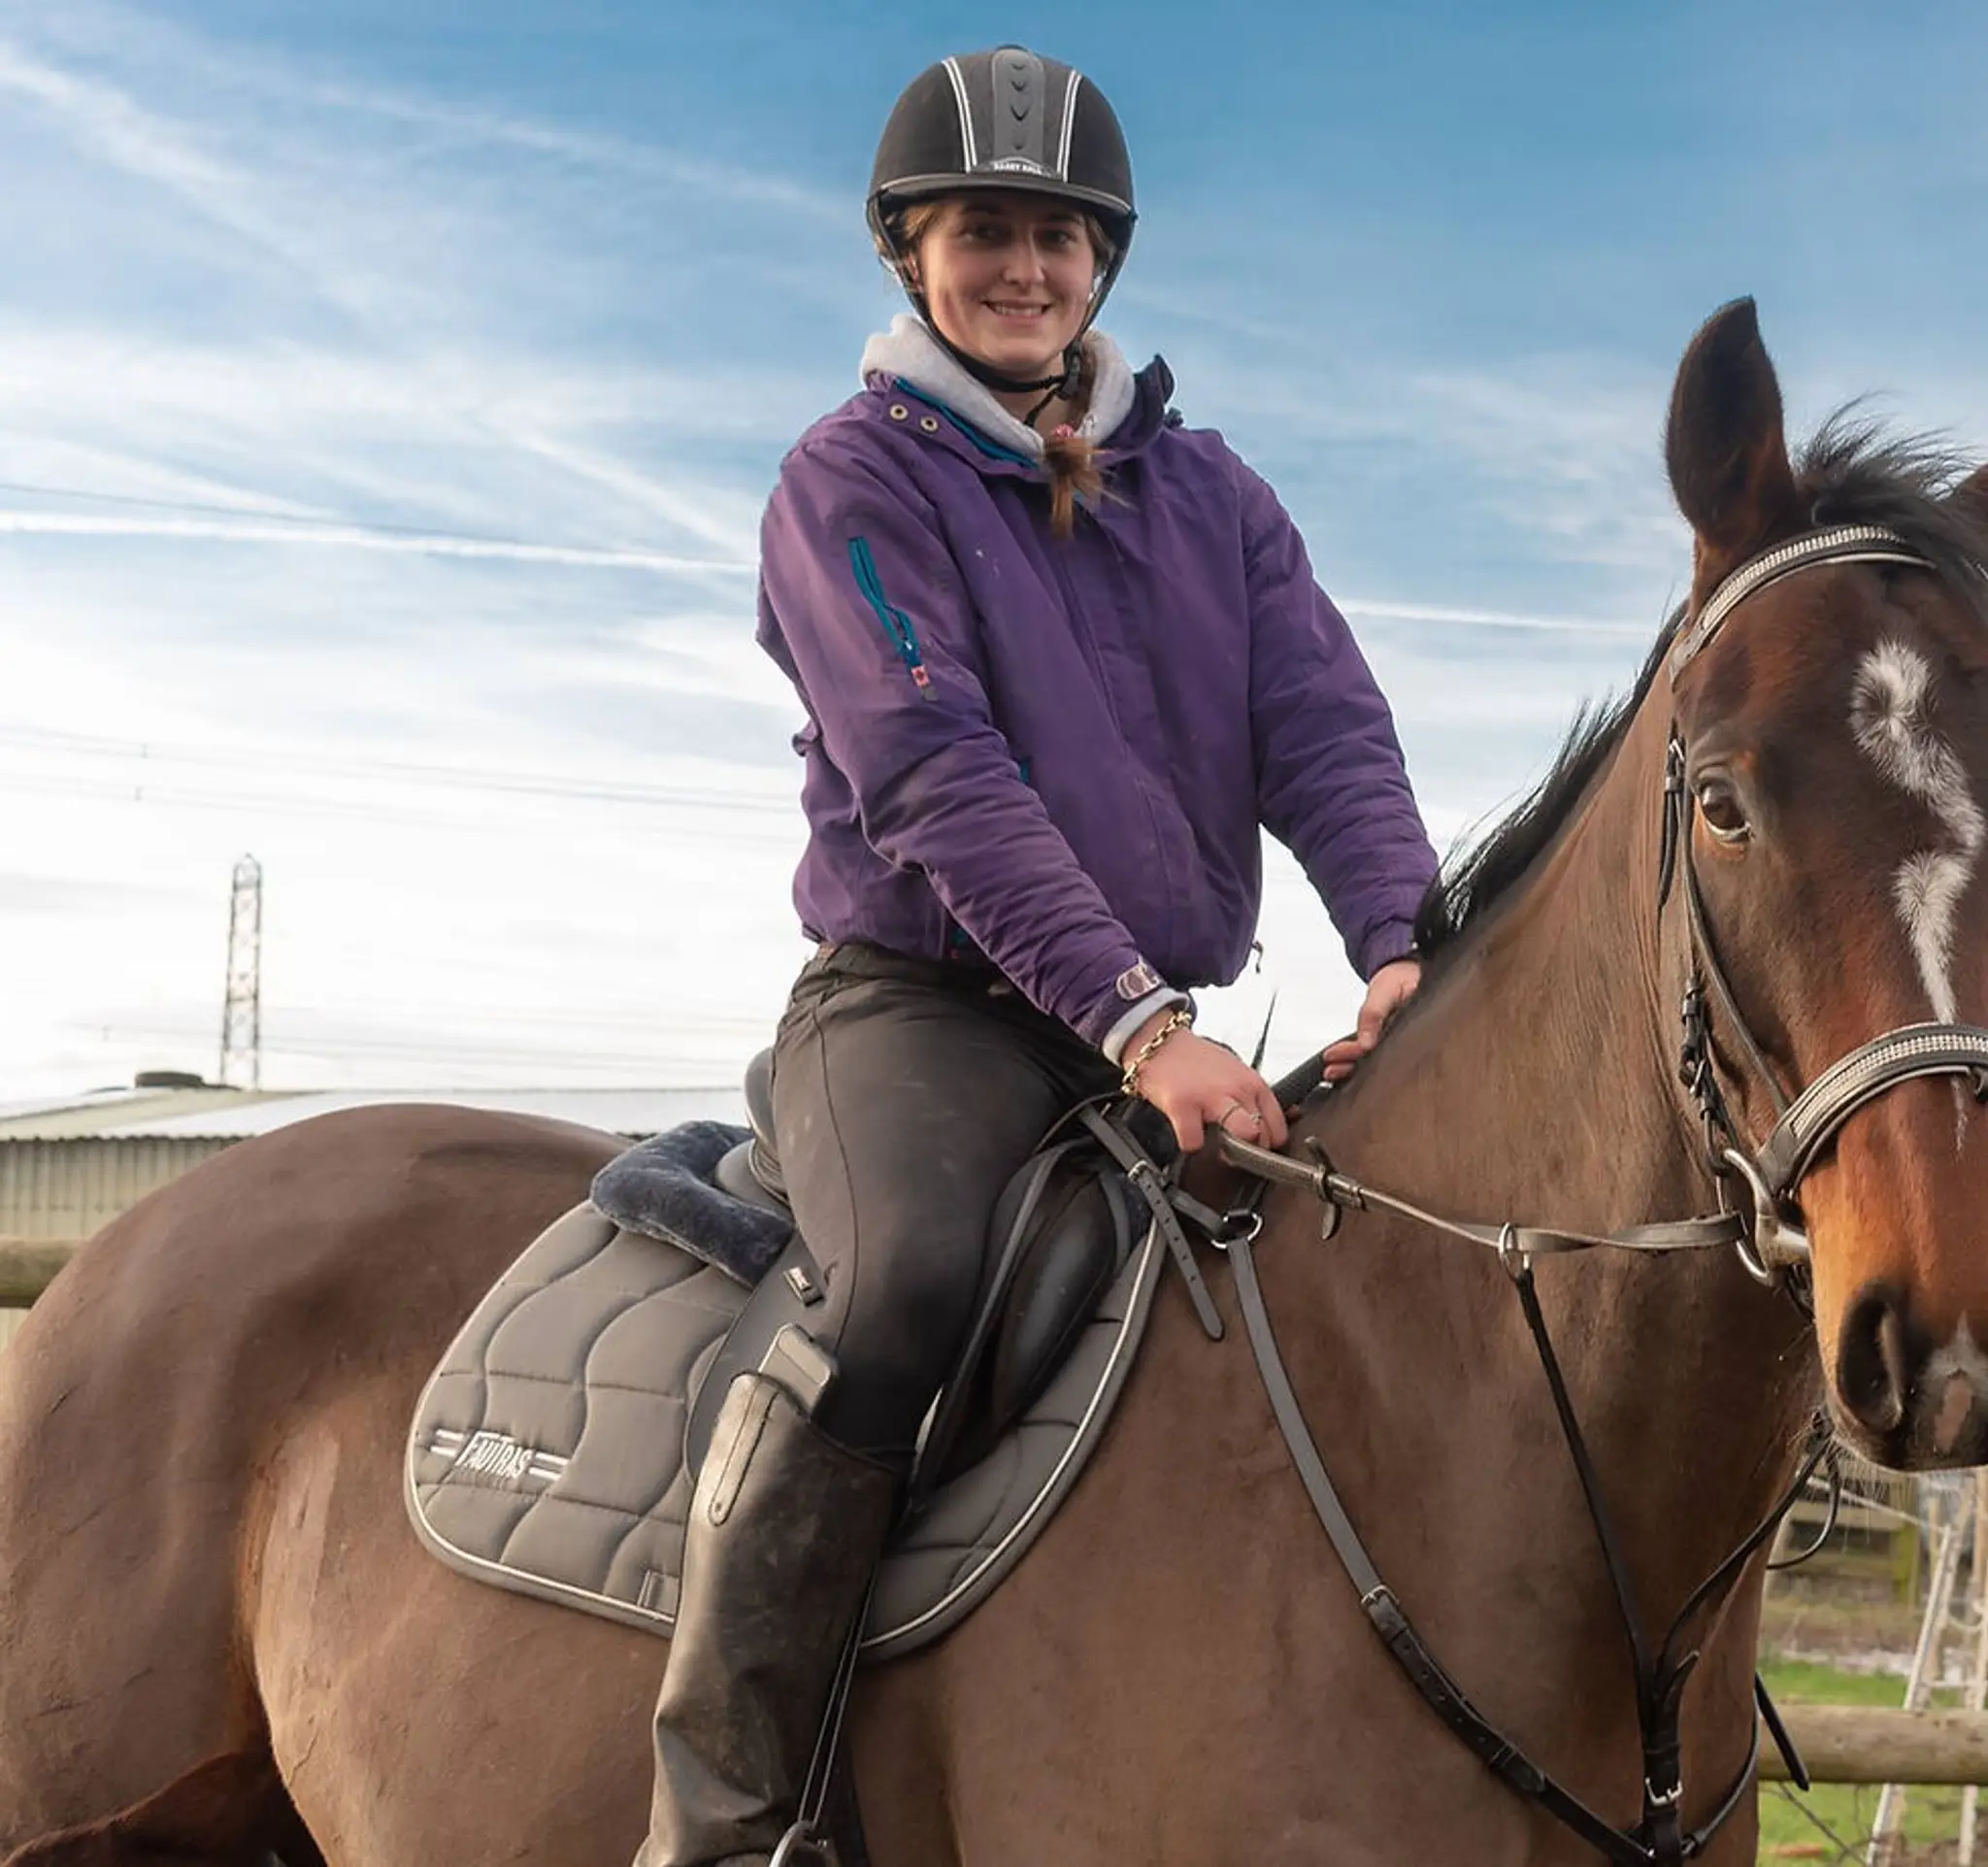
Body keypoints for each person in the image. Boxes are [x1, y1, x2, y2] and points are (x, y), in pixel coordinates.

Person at [636, 45, 1438, 1867]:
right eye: (983, 230)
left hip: (1140, 1036)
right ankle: (729, 1817)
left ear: (1105, 264)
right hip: (918, 1014)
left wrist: (1402, 940)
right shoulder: (847, 484)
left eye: (1058, 238)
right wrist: (1149, 1027)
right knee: (900, 1284)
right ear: (911, 254)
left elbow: (1325, 727)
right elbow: (937, 777)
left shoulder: (1213, 493)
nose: (1024, 268)